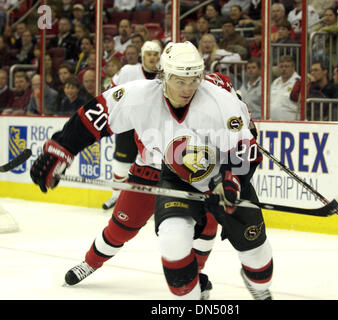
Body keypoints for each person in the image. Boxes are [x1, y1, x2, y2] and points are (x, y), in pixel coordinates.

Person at [29, 42, 273, 300]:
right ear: (164, 75)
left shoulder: (219, 101)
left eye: (193, 80)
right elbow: (93, 116)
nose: (188, 89)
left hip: (217, 177)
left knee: (252, 252)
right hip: (167, 175)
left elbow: (245, 150)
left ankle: (247, 284)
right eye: (180, 81)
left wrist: (231, 182)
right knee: (163, 236)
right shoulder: (139, 96)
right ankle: (95, 264)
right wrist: (60, 149)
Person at [102, 41, 162, 210]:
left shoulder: (165, 75)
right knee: (121, 164)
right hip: (129, 126)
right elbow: (110, 90)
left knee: (153, 167)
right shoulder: (128, 71)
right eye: (148, 54)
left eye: (155, 54)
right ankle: (116, 195)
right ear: (142, 56)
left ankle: (153, 203)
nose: (152, 57)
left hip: (153, 129)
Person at [269, 55, 300, 120]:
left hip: (292, 125)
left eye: (287, 66)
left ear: (293, 68)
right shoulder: (276, 82)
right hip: (273, 124)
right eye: (281, 67)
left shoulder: (299, 82)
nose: (283, 69)